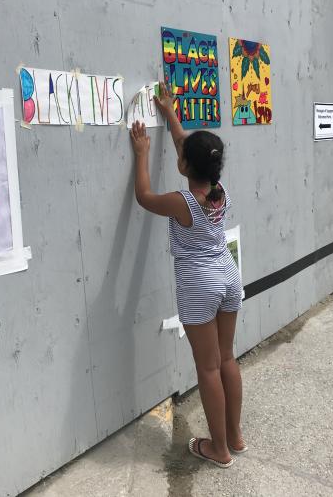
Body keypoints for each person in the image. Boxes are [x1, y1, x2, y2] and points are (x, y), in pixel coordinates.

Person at [129, 81, 246, 468]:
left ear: (183, 167)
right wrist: (170, 113)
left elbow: (144, 197)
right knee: (227, 359)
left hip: (200, 283)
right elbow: (187, 147)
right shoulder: (218, 189)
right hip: (228, 275)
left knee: (208, 367)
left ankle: (219, 450)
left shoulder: (181, 202)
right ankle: (235, 436)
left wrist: (142, 153)